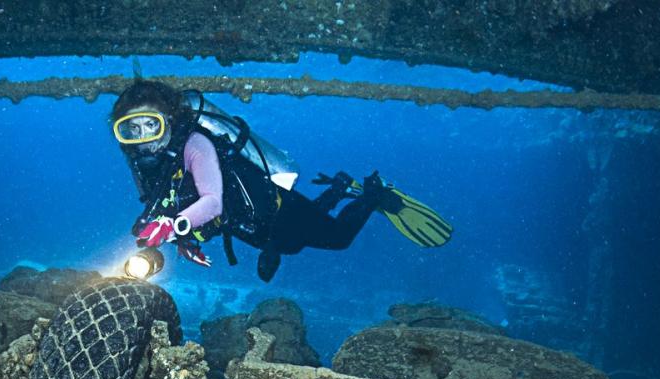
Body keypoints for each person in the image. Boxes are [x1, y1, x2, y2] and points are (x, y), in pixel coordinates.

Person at [111, 79, 451, 282]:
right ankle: (338, 188)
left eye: (150, 125)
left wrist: (174, 229)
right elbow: (172, 201)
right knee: (294, 242)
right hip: (250, 225)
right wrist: (185, 241)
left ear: (169, 119)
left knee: (338, 238)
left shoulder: (196, 145)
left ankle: (373, 195)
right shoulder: (150, 163)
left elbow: (212, 201)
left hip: (279, 211)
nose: (143, 139)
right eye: (130, 130)